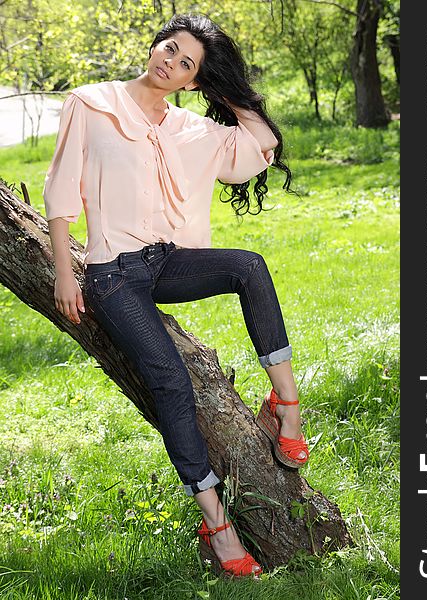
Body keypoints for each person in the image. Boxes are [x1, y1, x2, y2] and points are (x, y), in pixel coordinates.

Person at [43, 13, 309, 578]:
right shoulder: (93, 103)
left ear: (193, 81)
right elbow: (61, 188)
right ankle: (217, 525)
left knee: (249, 266)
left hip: (164, 262)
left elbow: (259, 145)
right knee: (171, 379)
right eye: (170, 48)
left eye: (187, 63)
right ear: (155, 45)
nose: (171, 61)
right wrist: (66, 272)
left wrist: (226, 90)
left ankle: (286, 406)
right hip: (111, 274)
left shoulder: (189, 127)